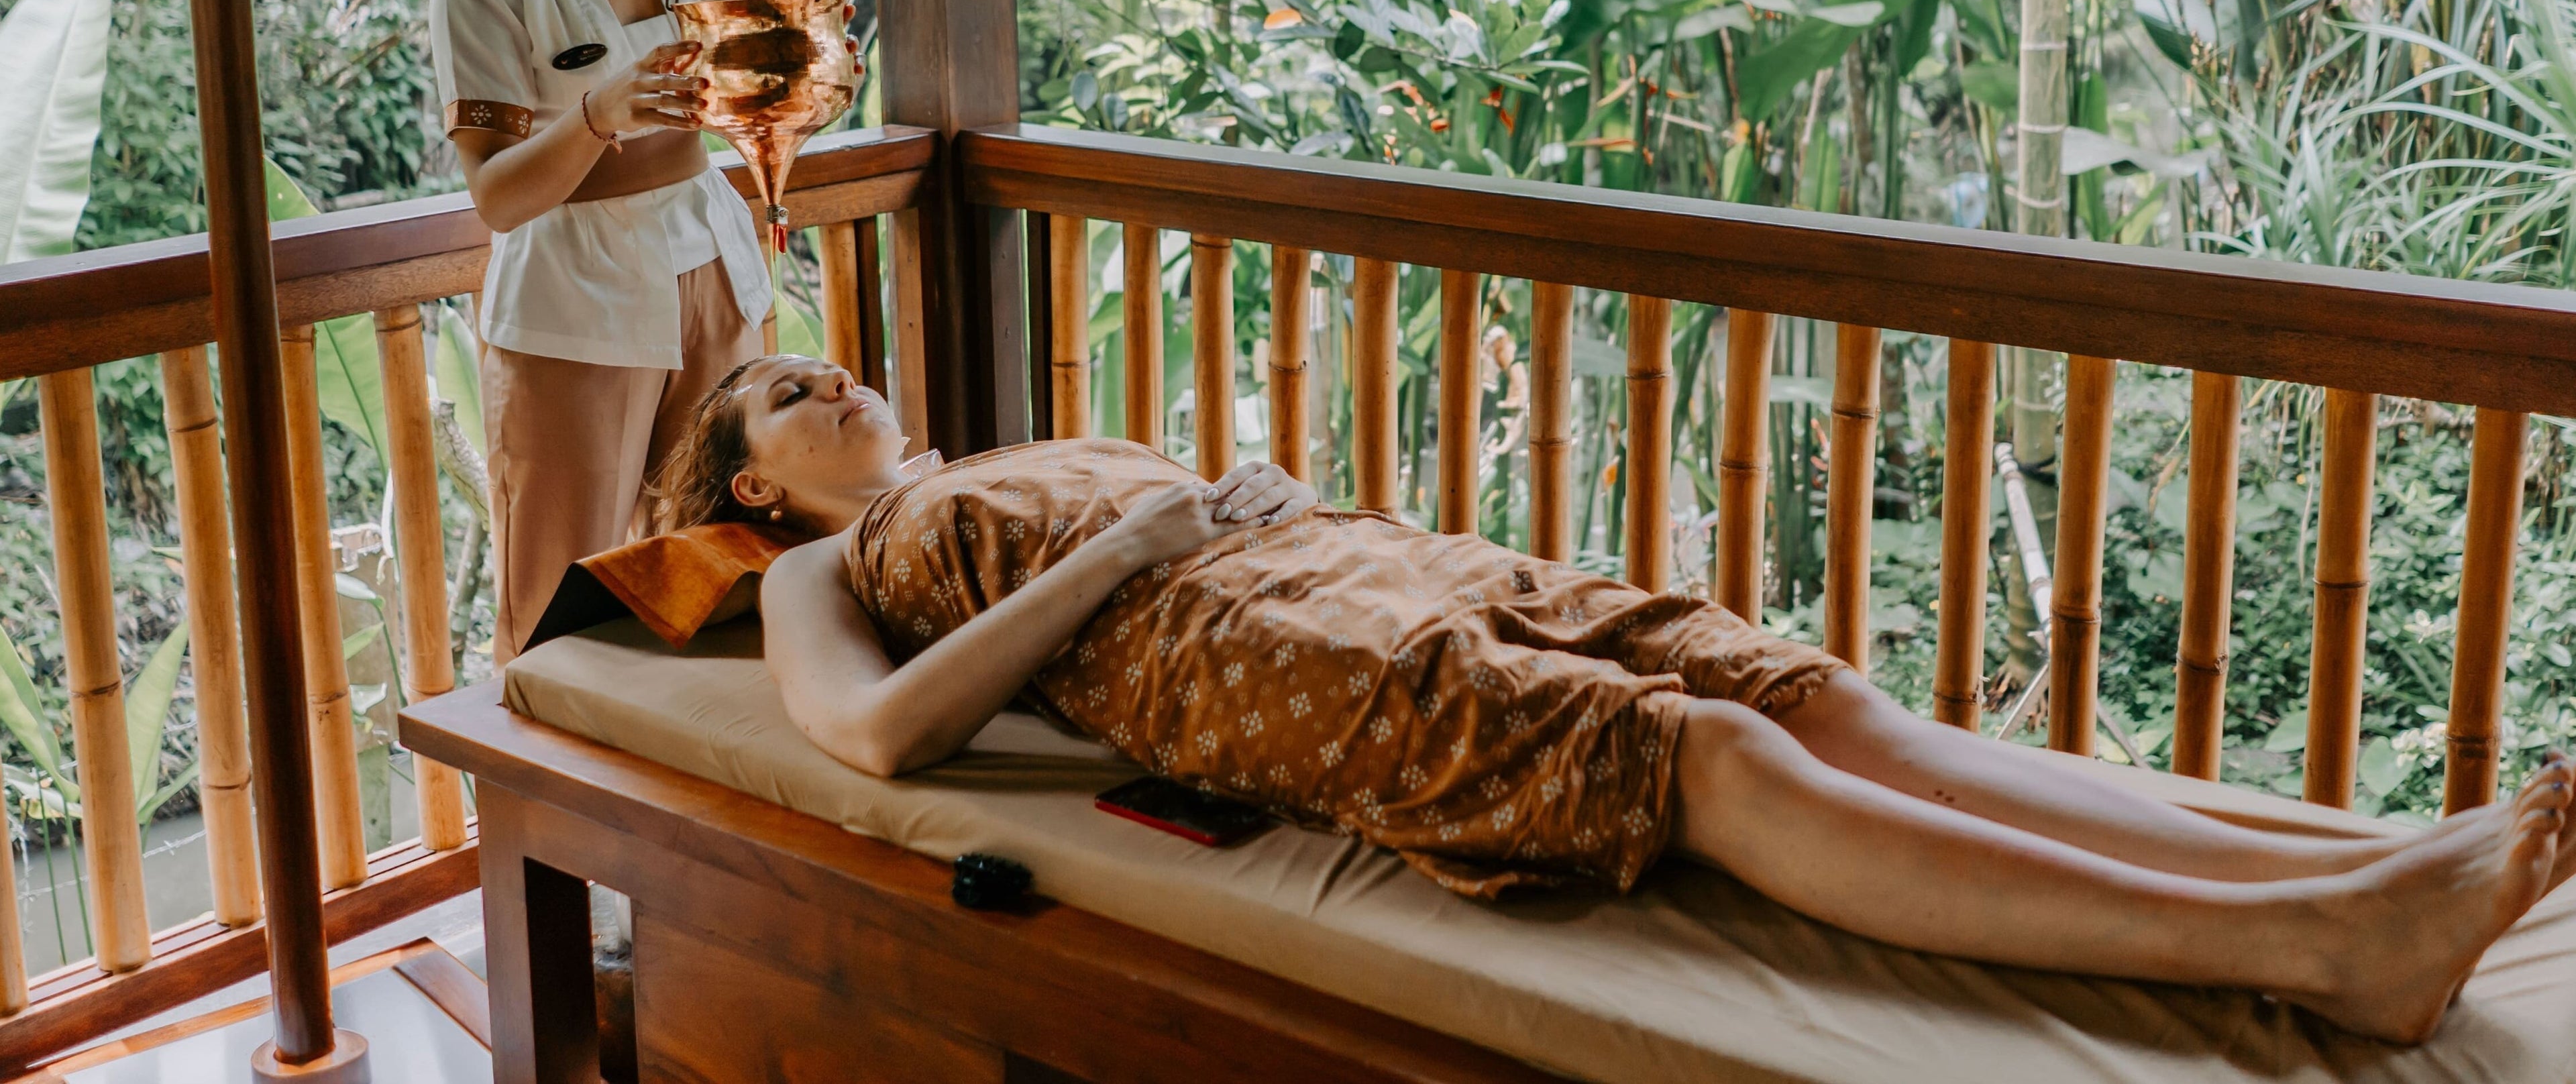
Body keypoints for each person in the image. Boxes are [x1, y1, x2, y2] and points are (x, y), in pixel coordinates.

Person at [651, 354, 2574, 1047]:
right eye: (793, 395)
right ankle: (2313, 945)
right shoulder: (839, 558)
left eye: (827, 368)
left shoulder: (986, 449)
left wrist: (1201, 506)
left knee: (1803, 693)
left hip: (1364, 560)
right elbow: (883, 740)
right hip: (1262, 661)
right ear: (753, 487)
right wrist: (1132, 544)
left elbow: (1167, 517)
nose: (838, 384)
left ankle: (2359, 860)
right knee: (1701, 758)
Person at [431, 0, 776, 663]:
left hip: (711, 268)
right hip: (575, 302)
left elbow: (748, 95)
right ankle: (553, 817)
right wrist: (594, 114)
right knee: (561, 607)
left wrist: (801, 76)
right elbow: (498, 195)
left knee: (721, 565)